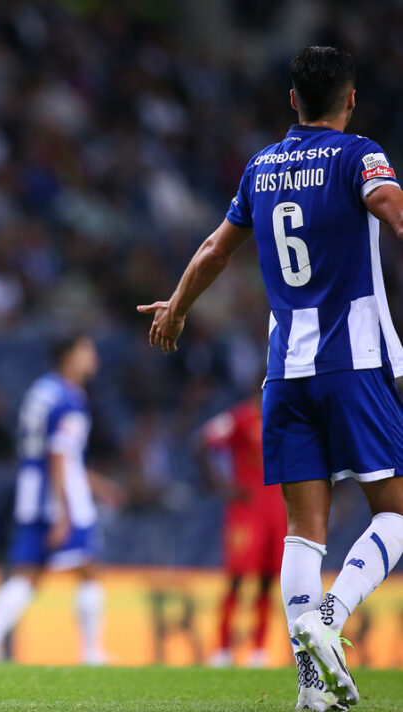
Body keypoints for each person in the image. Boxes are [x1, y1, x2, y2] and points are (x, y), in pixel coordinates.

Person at [139, 46, 403, 711]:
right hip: (355, 363)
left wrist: (176, 307)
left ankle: (311, 693)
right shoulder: (358, 153)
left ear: (293, 100)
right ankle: (331, 619)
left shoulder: (261, 167)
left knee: (303, 534)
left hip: (284, 375)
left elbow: (212, 251)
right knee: (397, 515)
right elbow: (387, 202)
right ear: (349, 100)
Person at [0, 334, 121, 665]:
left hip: (31, 491)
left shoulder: (41, 391)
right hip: (59, 496)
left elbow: (47, 452)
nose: (92, 357)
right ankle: (92, 652)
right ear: (69, 355)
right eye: (86, 350)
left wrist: (97, 484)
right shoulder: (69, 398)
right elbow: (59, 454)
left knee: (27, 573)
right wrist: (64, 512)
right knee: (89, 569)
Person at [198, 395, 287, 667]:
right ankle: (222, 648)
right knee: (237, 579)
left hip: (277, 511)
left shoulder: (287, 418)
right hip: (246, 512)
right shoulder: (241, 417)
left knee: (267, 581)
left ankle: (259, 650)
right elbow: (200, 443)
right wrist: (221, 486)